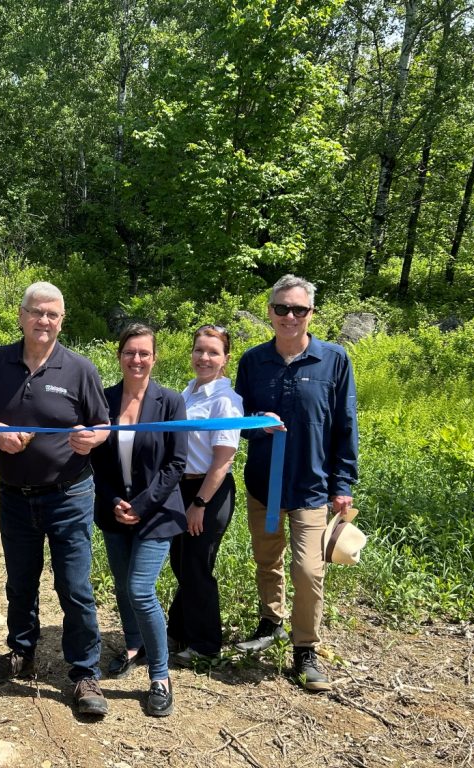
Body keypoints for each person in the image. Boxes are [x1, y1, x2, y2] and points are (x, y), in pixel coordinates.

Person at [0, 281, 111, 717]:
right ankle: (20, 651)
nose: (43, 321)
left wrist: (92, 440)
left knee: (75, 587)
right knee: (19, 581)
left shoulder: (80, 369)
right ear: (21, 315)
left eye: (52, 314)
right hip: (15, 496)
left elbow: (102, 424)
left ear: (62, 320)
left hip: (69, 494)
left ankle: (85, 672)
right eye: (36, 312)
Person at [233, 274, 358, 691]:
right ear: (270, 312)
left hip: (312, 487)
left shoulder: (334, 360)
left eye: (299, 309)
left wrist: (343, 484)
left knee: (308, 569)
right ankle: (270, 622)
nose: (290, 316)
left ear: (311, 314)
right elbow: (238, 425)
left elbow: (344, 426)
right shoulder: (253, 361)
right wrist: (257, 428)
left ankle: (305, 650)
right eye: (282, 308)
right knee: (267, 559)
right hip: (264, 485)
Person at [90, 323, 187, 717]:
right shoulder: (105, 399)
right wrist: (114, 499)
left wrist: (142, 504)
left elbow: (176, 462)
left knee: (140, 589)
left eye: (144, 353)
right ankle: (134, 645)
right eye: (130, 352)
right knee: (122, 586)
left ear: (154, 357)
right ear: (119, 355)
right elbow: (96, 457)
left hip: (157, 513)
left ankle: (160, 676)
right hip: (115, 510)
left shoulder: (171, 401)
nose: (137, 359)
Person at [168, 324, 243, 665]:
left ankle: (206, 646)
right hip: (180, 488)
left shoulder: (226, 401)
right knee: (181, 564)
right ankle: (178, 629)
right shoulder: (189, 392)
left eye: (213, 352)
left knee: (197, 566)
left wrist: (199, 504)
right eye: (199, 350)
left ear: (226, 359)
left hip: (207, 491)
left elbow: (222, 461)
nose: (204, 357)